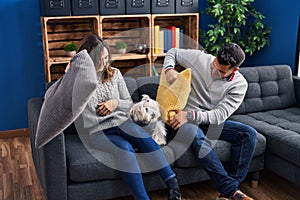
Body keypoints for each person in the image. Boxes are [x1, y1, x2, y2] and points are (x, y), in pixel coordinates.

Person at [74, 34, 181, 200]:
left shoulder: (115, 74)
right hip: (98, 131)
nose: (104, 63)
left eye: (106, 58)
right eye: (100, 59)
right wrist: (72, 72)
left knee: (144, 139)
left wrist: (115, 103)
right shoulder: (78, 81)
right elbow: (76, 110)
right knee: (125, 149)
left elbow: (129, 103)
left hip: (123, 123)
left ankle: (174, 187)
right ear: (89, 58)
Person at [163, 43, 257, 200]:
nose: (214, 72)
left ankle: (227, 191)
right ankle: (232, 191)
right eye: (214, 65)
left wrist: (191, 115)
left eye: (221, 71)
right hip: (180, 119)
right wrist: (169, 69)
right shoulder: (200, 58)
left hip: (204, 119)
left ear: (235, 70)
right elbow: (172, 52)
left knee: (248, 134)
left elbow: (219, 115)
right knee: (200, 140)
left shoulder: (239, 85)